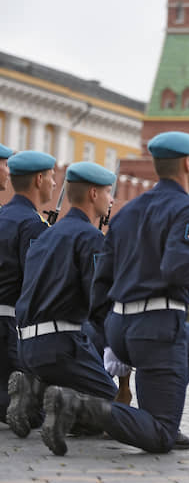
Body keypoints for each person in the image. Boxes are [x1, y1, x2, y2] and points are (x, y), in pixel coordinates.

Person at [39, 131, 189, 456]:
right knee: (160, 437)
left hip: (121, 326)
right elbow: (178, 268)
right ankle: (78, 405)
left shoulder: (128, 210)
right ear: (187, 163)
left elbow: (102, 279)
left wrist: (109, 337)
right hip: (156, 326)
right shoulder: (188, 211)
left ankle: (152, 410)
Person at [8, 162, 118, 438]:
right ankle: (39, 395)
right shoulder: (90, 237)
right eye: (107, 192)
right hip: (60, 345)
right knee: (109, 403)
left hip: (26, 346)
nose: (112, 199)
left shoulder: (46, 234)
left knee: (72, 384)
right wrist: (118, 342)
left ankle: (36, 393)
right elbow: (98, 300)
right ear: (93, 194)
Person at [0, 150, 55, 428]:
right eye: (51, 177)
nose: (54, 183)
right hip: (9, 327)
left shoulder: (3, 215)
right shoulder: (32, 224)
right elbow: (36, 282)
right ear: (39, 179)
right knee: (34, 415)